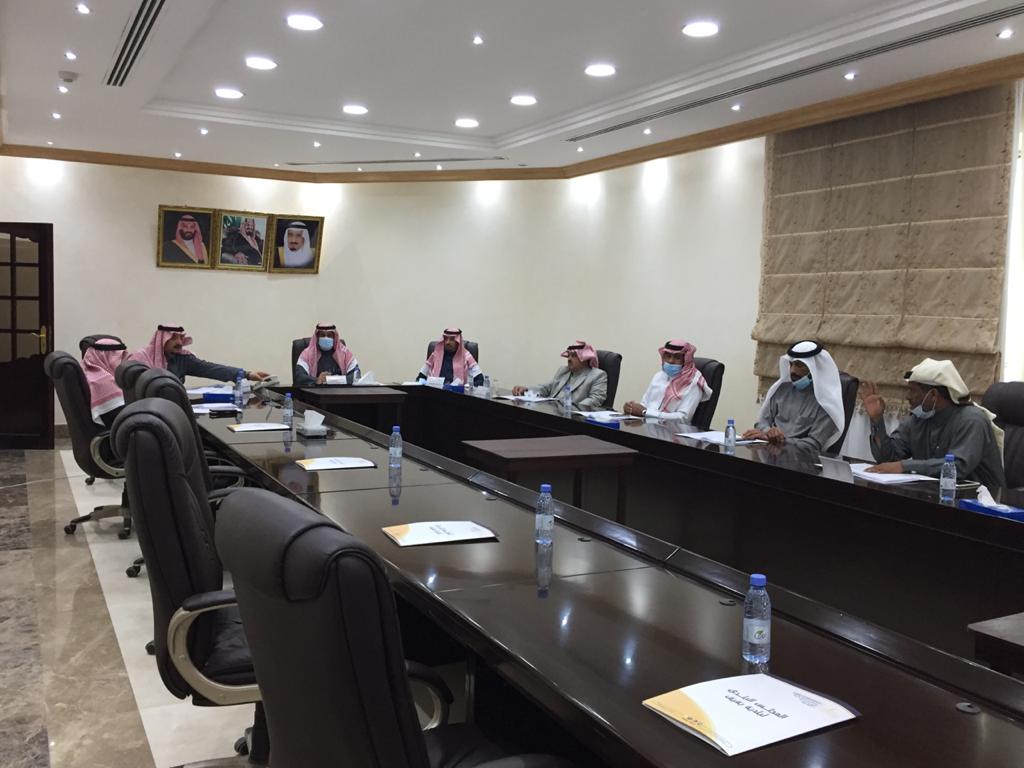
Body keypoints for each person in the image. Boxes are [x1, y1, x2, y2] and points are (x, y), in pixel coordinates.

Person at [861, 358, 1006, 489]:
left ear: (933, 395)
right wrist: (877, 419)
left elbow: (957, 467)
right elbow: (887, 458)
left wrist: (904, 466)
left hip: (980, 500)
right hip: (935, 495)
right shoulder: (918, 419)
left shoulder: (972, 420)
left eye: (913, 391)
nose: (907, 397)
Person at [743, 340, 845, 453]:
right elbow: (761, 422)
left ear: (814, 368)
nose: (792, 371)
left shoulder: (826, 401)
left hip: (802, 460)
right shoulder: (781, 389)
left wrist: (780, 440)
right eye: (791, 364)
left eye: (799, 365)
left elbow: (813, 443)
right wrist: (767, 432)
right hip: (772, 454)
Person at [129, 323, 269, 384]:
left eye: (180, 337)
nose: (179, 342)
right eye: (173, 338)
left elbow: (211, 369)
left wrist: (246, 374)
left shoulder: (182, 358)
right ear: (162, 340)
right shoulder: (141, 357)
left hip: (172, 408)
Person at [622, 339, 712, 422]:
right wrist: (632, 409)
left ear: (686, 360)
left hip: (673, 432)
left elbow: (683, 418)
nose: (671, 361)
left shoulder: (694, 383)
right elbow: (644, 404)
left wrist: (645, 412)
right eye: (668, 356)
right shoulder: (658, 376)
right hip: (647, 426)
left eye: (677, 358)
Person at [512, 341, 608, 410]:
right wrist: (527, 390)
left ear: (585, 359)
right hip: (553, 412)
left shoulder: (598, 375)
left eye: (574, 356)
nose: (569, 359)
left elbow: (595, 400)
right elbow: (547, 388)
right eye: (568, 355)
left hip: (573, 419)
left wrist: (572, 409)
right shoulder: (564, 370)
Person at [294, 324, 360, 386]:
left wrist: (333, 380)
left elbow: (356, 376)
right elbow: (299, 377)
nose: (326, 338)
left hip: (340, 392)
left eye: (329, 335)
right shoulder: (307, 354)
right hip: (315, 392)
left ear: (334, 337)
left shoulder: (345, 353)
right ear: (317, 338)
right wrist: (317, 380)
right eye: (322, 335)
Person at [82, 337, 128, 427]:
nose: (124, 362)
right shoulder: (101, 382)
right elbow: (121, 416)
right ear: (105, 357)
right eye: (120, 358)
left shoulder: (89, 371)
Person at [417, 328, 484, 386]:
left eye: (451, 339)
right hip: (435, 392)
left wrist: (465, 388)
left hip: (457, 394)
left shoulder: (467, 356)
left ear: (458, 341)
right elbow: (420, 377)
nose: (447, 342)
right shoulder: (435, 354)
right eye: (445, 339)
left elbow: (480, 380)